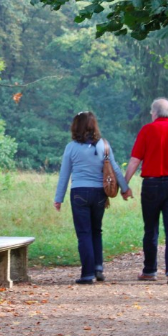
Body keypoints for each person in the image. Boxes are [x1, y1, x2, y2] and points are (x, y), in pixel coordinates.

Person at [54, 111, 131, 285]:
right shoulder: (103, 146)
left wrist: (59, 198)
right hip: (99, 193)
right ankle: (98, 268)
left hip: (79, 193)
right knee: (96, 231)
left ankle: (87, 274)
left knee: (84, 233)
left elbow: (64, 175)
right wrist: (125, 189)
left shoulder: (71, 147)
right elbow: (115, 169)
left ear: (75, 126)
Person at [124, 98, 168, 285]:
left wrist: (125, 184)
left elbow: (135, 160)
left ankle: (149, 270)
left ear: (154, 113)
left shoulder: (147, 130)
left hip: (151, 185)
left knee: (151, 229)